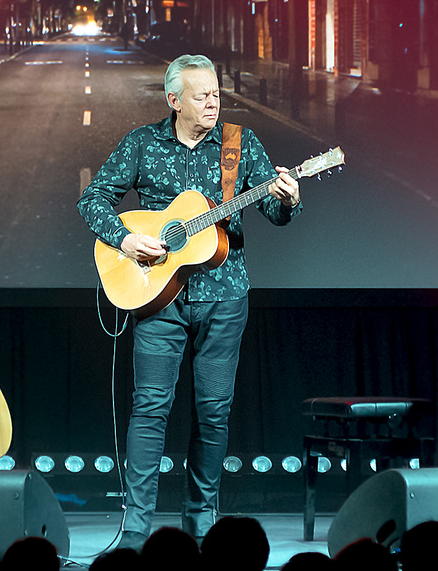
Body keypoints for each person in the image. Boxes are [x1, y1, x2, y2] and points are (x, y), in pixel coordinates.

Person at [78, 54, 301, 547]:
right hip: (159, 298)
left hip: (224, 300)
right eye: (201, 96)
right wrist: (124, 238)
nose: (212, 103)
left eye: (216, 94)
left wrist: (286, 197)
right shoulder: (141, 143)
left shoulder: (240, 145)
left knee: (214, 411)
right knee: (150, 407)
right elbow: (92, 198)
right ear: (173, 100)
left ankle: (200, 524)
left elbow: (274, 212)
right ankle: (135, 529)